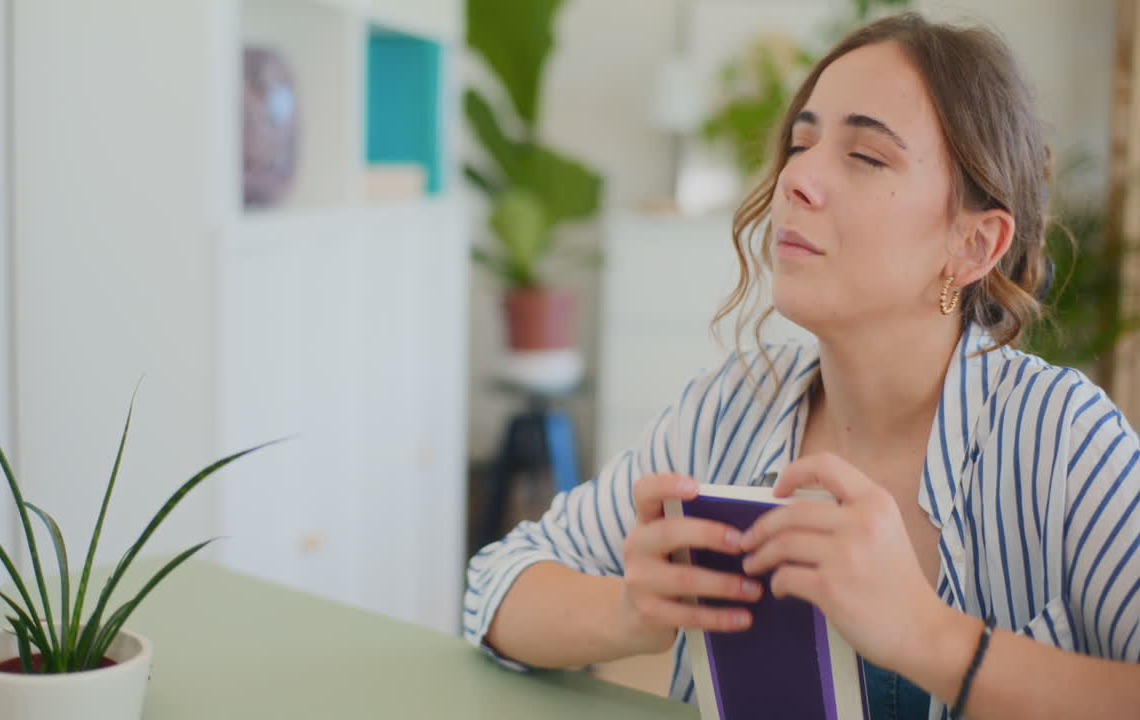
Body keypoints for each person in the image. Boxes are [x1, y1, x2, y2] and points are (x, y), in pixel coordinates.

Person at [462, 12, 1140, 720]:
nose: (796, 179)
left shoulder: (1063, 441)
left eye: (867, 157)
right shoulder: (728, 409)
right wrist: (631, 610)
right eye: (801, 142)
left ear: (973, 245)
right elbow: (495, 587)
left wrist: (928, 636)